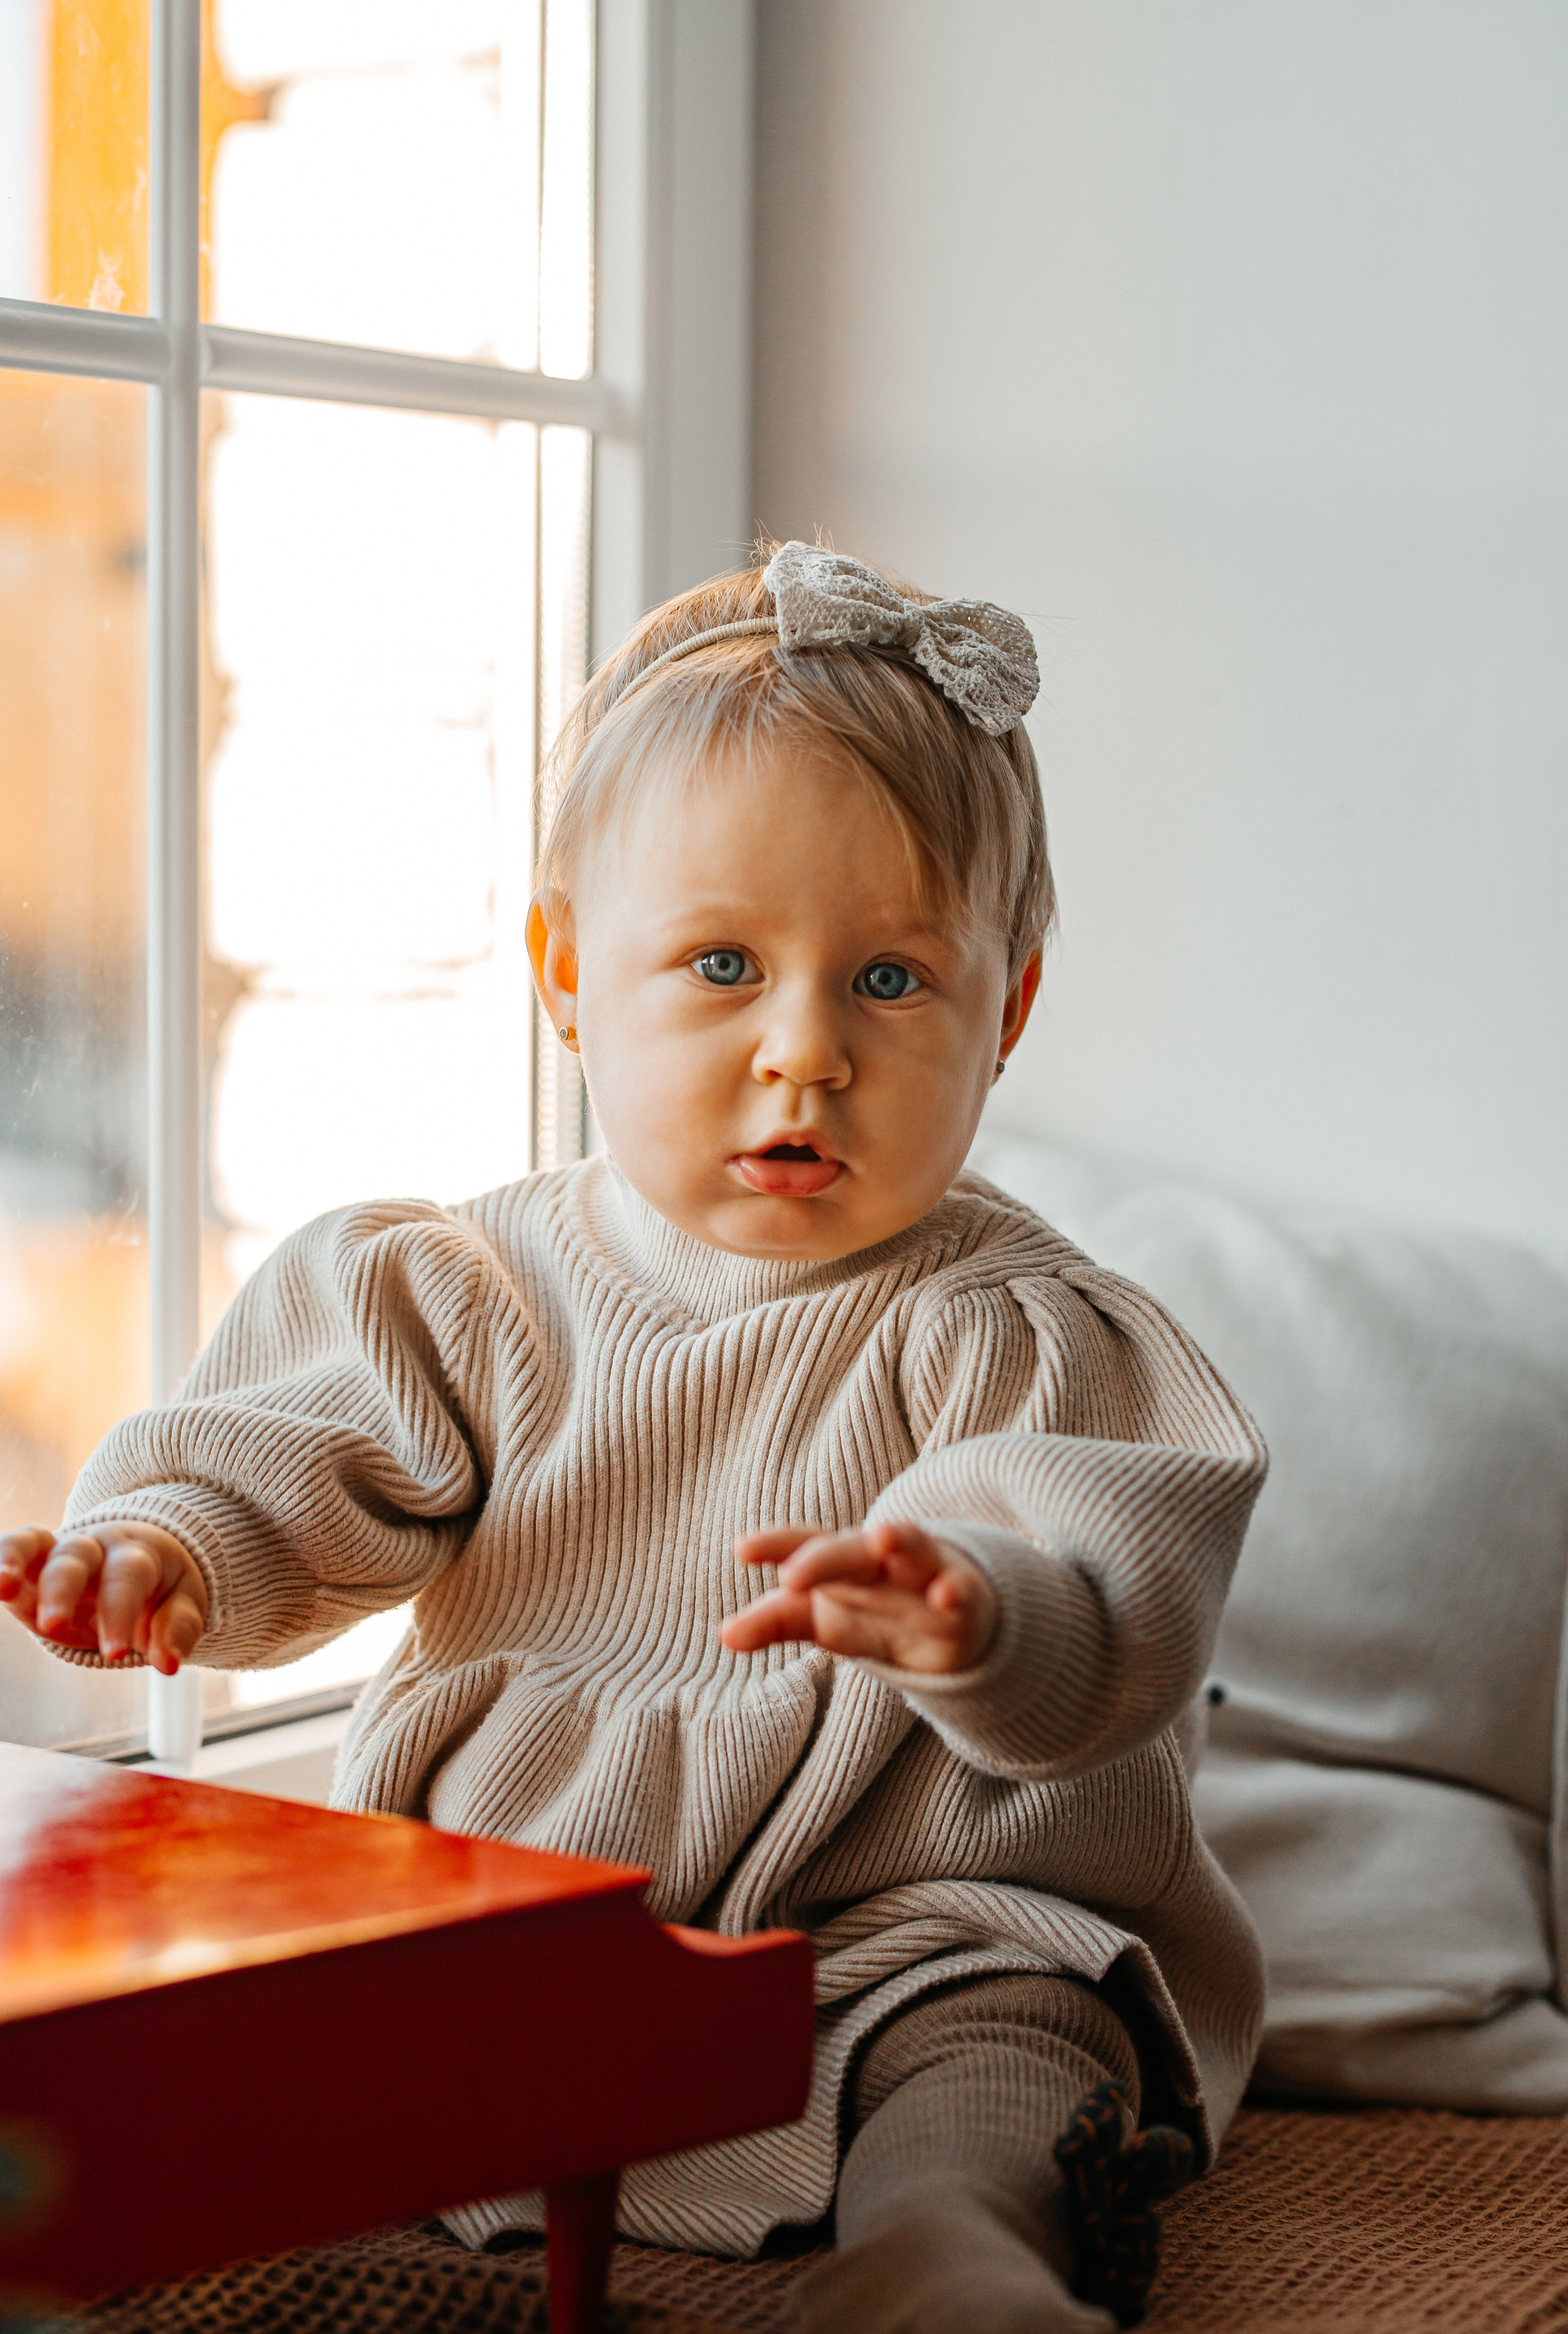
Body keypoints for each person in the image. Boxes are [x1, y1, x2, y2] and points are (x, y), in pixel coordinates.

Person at [0, 543, 1267, 2334]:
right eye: (725, 964)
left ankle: (947, 2257)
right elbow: (293, 1450)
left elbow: (1113, 1594)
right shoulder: (473, 1290)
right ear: (570, 970)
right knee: (287, 2031)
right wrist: (174, 1546)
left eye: (893, 981)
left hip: (897, 1922)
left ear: (1014, 1006)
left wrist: (980, 1616)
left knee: (1010, 2043)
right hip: (548, 1913)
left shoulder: (1014, 1327)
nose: (805, 1051)